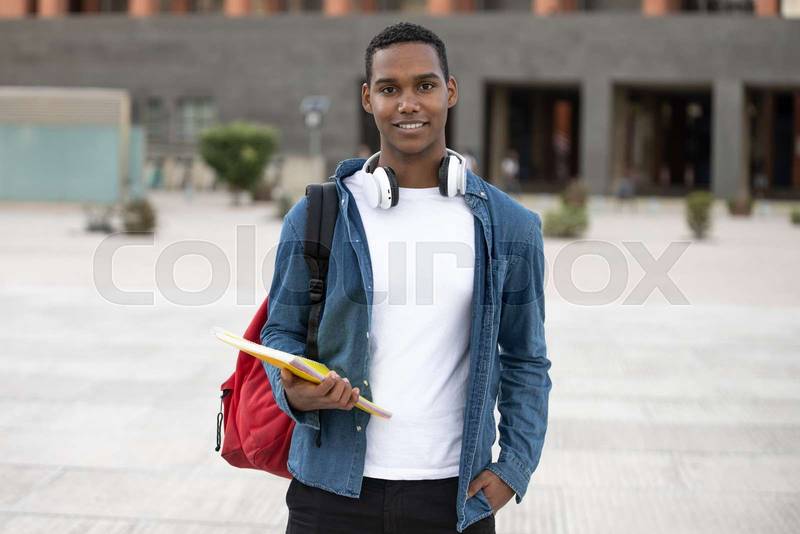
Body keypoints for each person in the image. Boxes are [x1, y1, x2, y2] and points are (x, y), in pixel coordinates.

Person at [261, 22, 551, 534]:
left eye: (425, 85)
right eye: (390, 89)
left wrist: (514, 467)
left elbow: (526, 358)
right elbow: (280, 333)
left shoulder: (511, 226)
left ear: (451, 91)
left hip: (454, 498)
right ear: (368, 98)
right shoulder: (317, 214)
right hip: (330, 493)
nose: (408, 103)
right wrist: (295, 391)